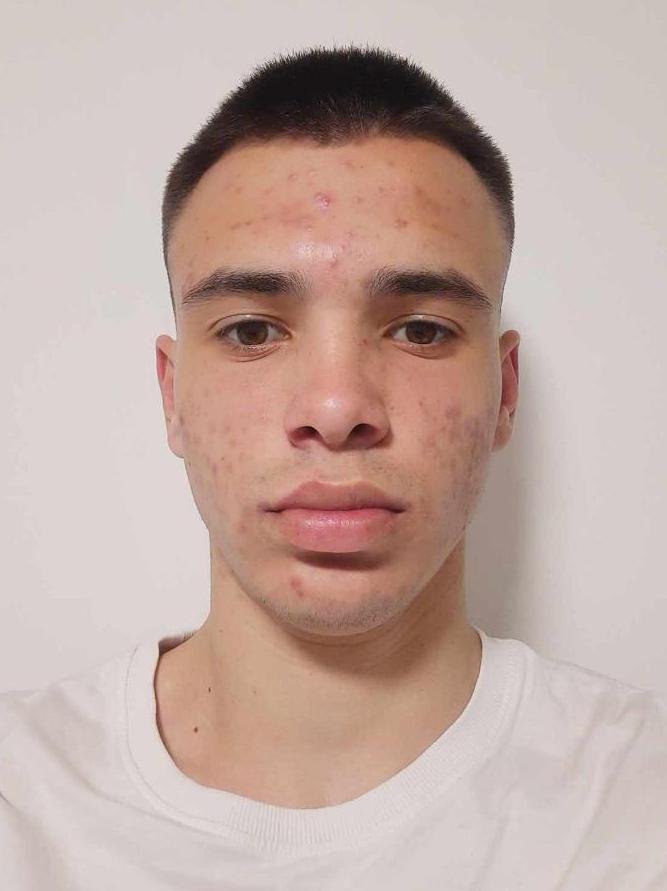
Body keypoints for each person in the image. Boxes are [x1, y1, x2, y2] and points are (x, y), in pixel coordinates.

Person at [1, 46, 665, 889]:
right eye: (251, 330)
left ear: (504, 392)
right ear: (172, 396)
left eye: (420, 329)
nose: (336, 405)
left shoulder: (637, 807)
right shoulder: (22, 799)